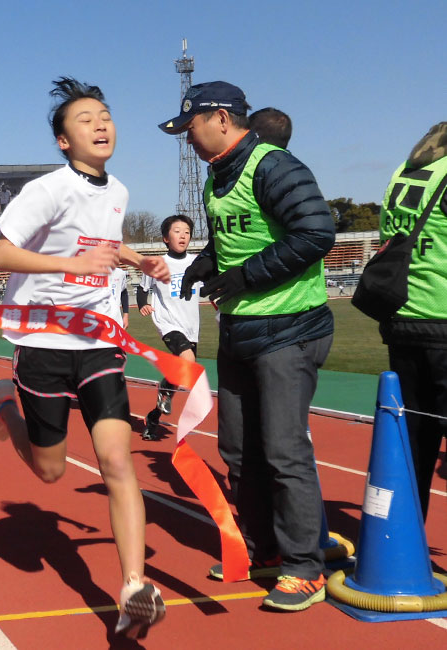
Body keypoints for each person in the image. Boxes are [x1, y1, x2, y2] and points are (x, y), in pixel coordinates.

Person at [0, 77, 171, 639]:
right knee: (51, 472)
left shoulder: (119, 191)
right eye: (86, 119)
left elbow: (103, 244)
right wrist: (72, 268)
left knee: (118, 461)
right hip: (42, 343)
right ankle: (4, 407)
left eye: (106, 115)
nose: (100, 124)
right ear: (63, 141)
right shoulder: (47, 189)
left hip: (98, 340)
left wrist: (140, 260)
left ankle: (133, 586)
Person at [159, 81, 335, 611]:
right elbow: (232, 237)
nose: (186, 137)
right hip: (240, 331)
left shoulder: (273, 165)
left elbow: (316, 232)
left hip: (289, 328)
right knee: (237, 451)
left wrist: (246, 277)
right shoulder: (218, 176)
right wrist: (208, 266)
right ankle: (263, 551)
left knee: (283, 450)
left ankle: (305, 568)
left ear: (219, 118)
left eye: (189, 126)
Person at [376, 122, 447, 521]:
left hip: (402, 315)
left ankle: (405, 542)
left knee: (413, 442)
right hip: (442, 312)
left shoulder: (402, 173)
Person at [136, 215, 201, 441]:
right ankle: (164, 391)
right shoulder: (157, 264)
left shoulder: (197, 262)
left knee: (183, 373)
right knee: (188, 360)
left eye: (187, 231)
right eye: (177, 231)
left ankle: (153, 418)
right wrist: (143, 304)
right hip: (168, 323)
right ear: (165, 238)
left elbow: (211, 286)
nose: (183, 235)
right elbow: (142, 288)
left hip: (192, 326)